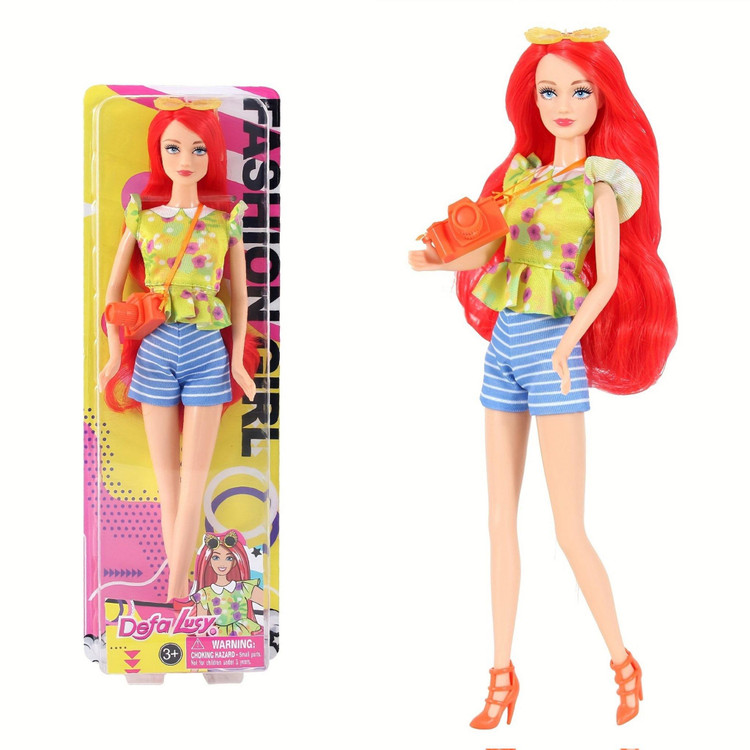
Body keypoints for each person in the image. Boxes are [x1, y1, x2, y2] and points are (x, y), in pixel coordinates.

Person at [409, 28, 676, 728]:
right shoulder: (521, 177)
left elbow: (607, 280)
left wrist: (569, 343)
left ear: (601, 100)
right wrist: (434, 260)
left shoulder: (601, 185)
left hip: (556, 352)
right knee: (498, 520)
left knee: (568, 528)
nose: (562, 104)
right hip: (504, 347)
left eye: (579, 91)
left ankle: (623, 661)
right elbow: (491, 253)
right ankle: (501, 675)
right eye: (548, 90)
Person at [98, 98, 259, 602]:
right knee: (168, 481)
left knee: (194, 482)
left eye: (198, 148)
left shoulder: (225, 221)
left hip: (208, 353)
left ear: (213, 154)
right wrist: (113, 354)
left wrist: (238, 358)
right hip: (154, 351)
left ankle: (176, 593)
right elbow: (113, 294)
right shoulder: (142, 218)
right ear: (159, 153)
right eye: (173, 148)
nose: (185, 159)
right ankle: (181, 592)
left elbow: (241, 296)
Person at [192, 530, 264, 637]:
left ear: (234, 562)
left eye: (229, 558)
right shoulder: (204, 594)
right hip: (218, 637)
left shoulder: (244, 588)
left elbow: (268, 602)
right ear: (209, 561)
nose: (222, 563)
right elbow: (201, 629)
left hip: (245, 633)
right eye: (216, 558)